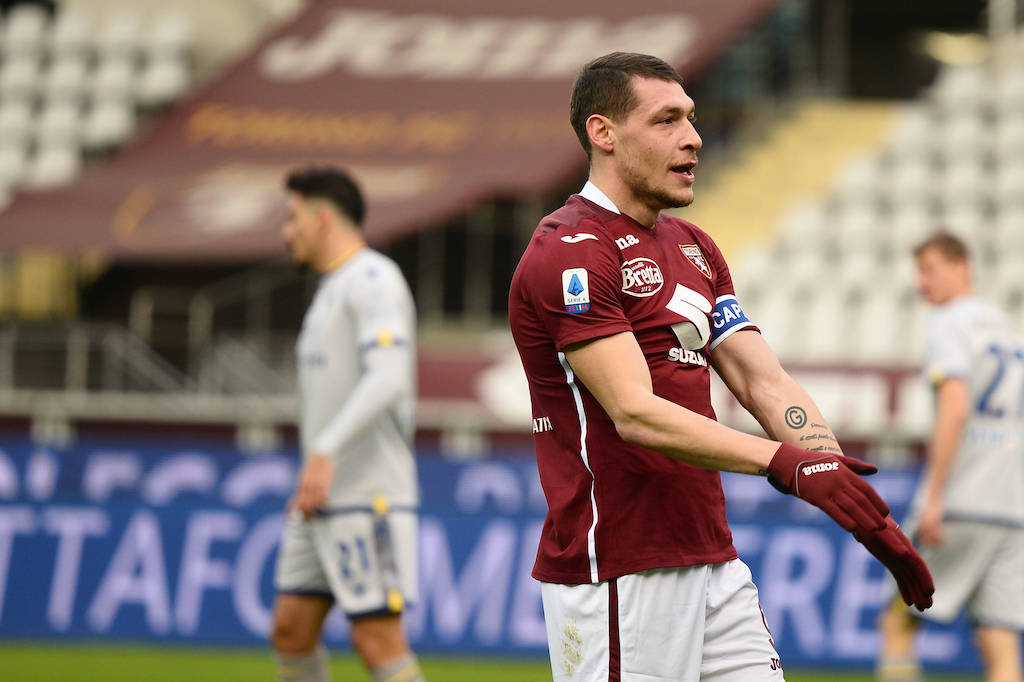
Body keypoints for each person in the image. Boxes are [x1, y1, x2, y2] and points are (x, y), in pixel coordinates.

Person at [508, 51, 934, 682]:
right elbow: (634, 411)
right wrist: (784, 462)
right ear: (603, 133)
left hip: (713, 559)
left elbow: (762, 380)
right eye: (667, 121)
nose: (693, 138)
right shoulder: (567, 250)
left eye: (693, 119)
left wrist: (839, 483)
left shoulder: (693, 247)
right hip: (621, 568)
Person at [270, 166, 423, 682]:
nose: (285, 232)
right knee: (291, 630)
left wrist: (325, 450)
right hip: (322, 496)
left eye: (291, 218)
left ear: (321, 217)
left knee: (377, 639)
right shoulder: (330, 290)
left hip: (367, 494)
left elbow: (389, 378)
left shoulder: (374, 279)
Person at [877, 233, 1023, 682]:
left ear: (963, 267)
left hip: (961, 501)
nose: (922, 283)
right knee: (1000, 642)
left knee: (897, 621)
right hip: (1012, 509)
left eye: (930, 270)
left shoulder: (948, 322)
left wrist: (934, 497)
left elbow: (955, 407)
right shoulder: (1007, 328)